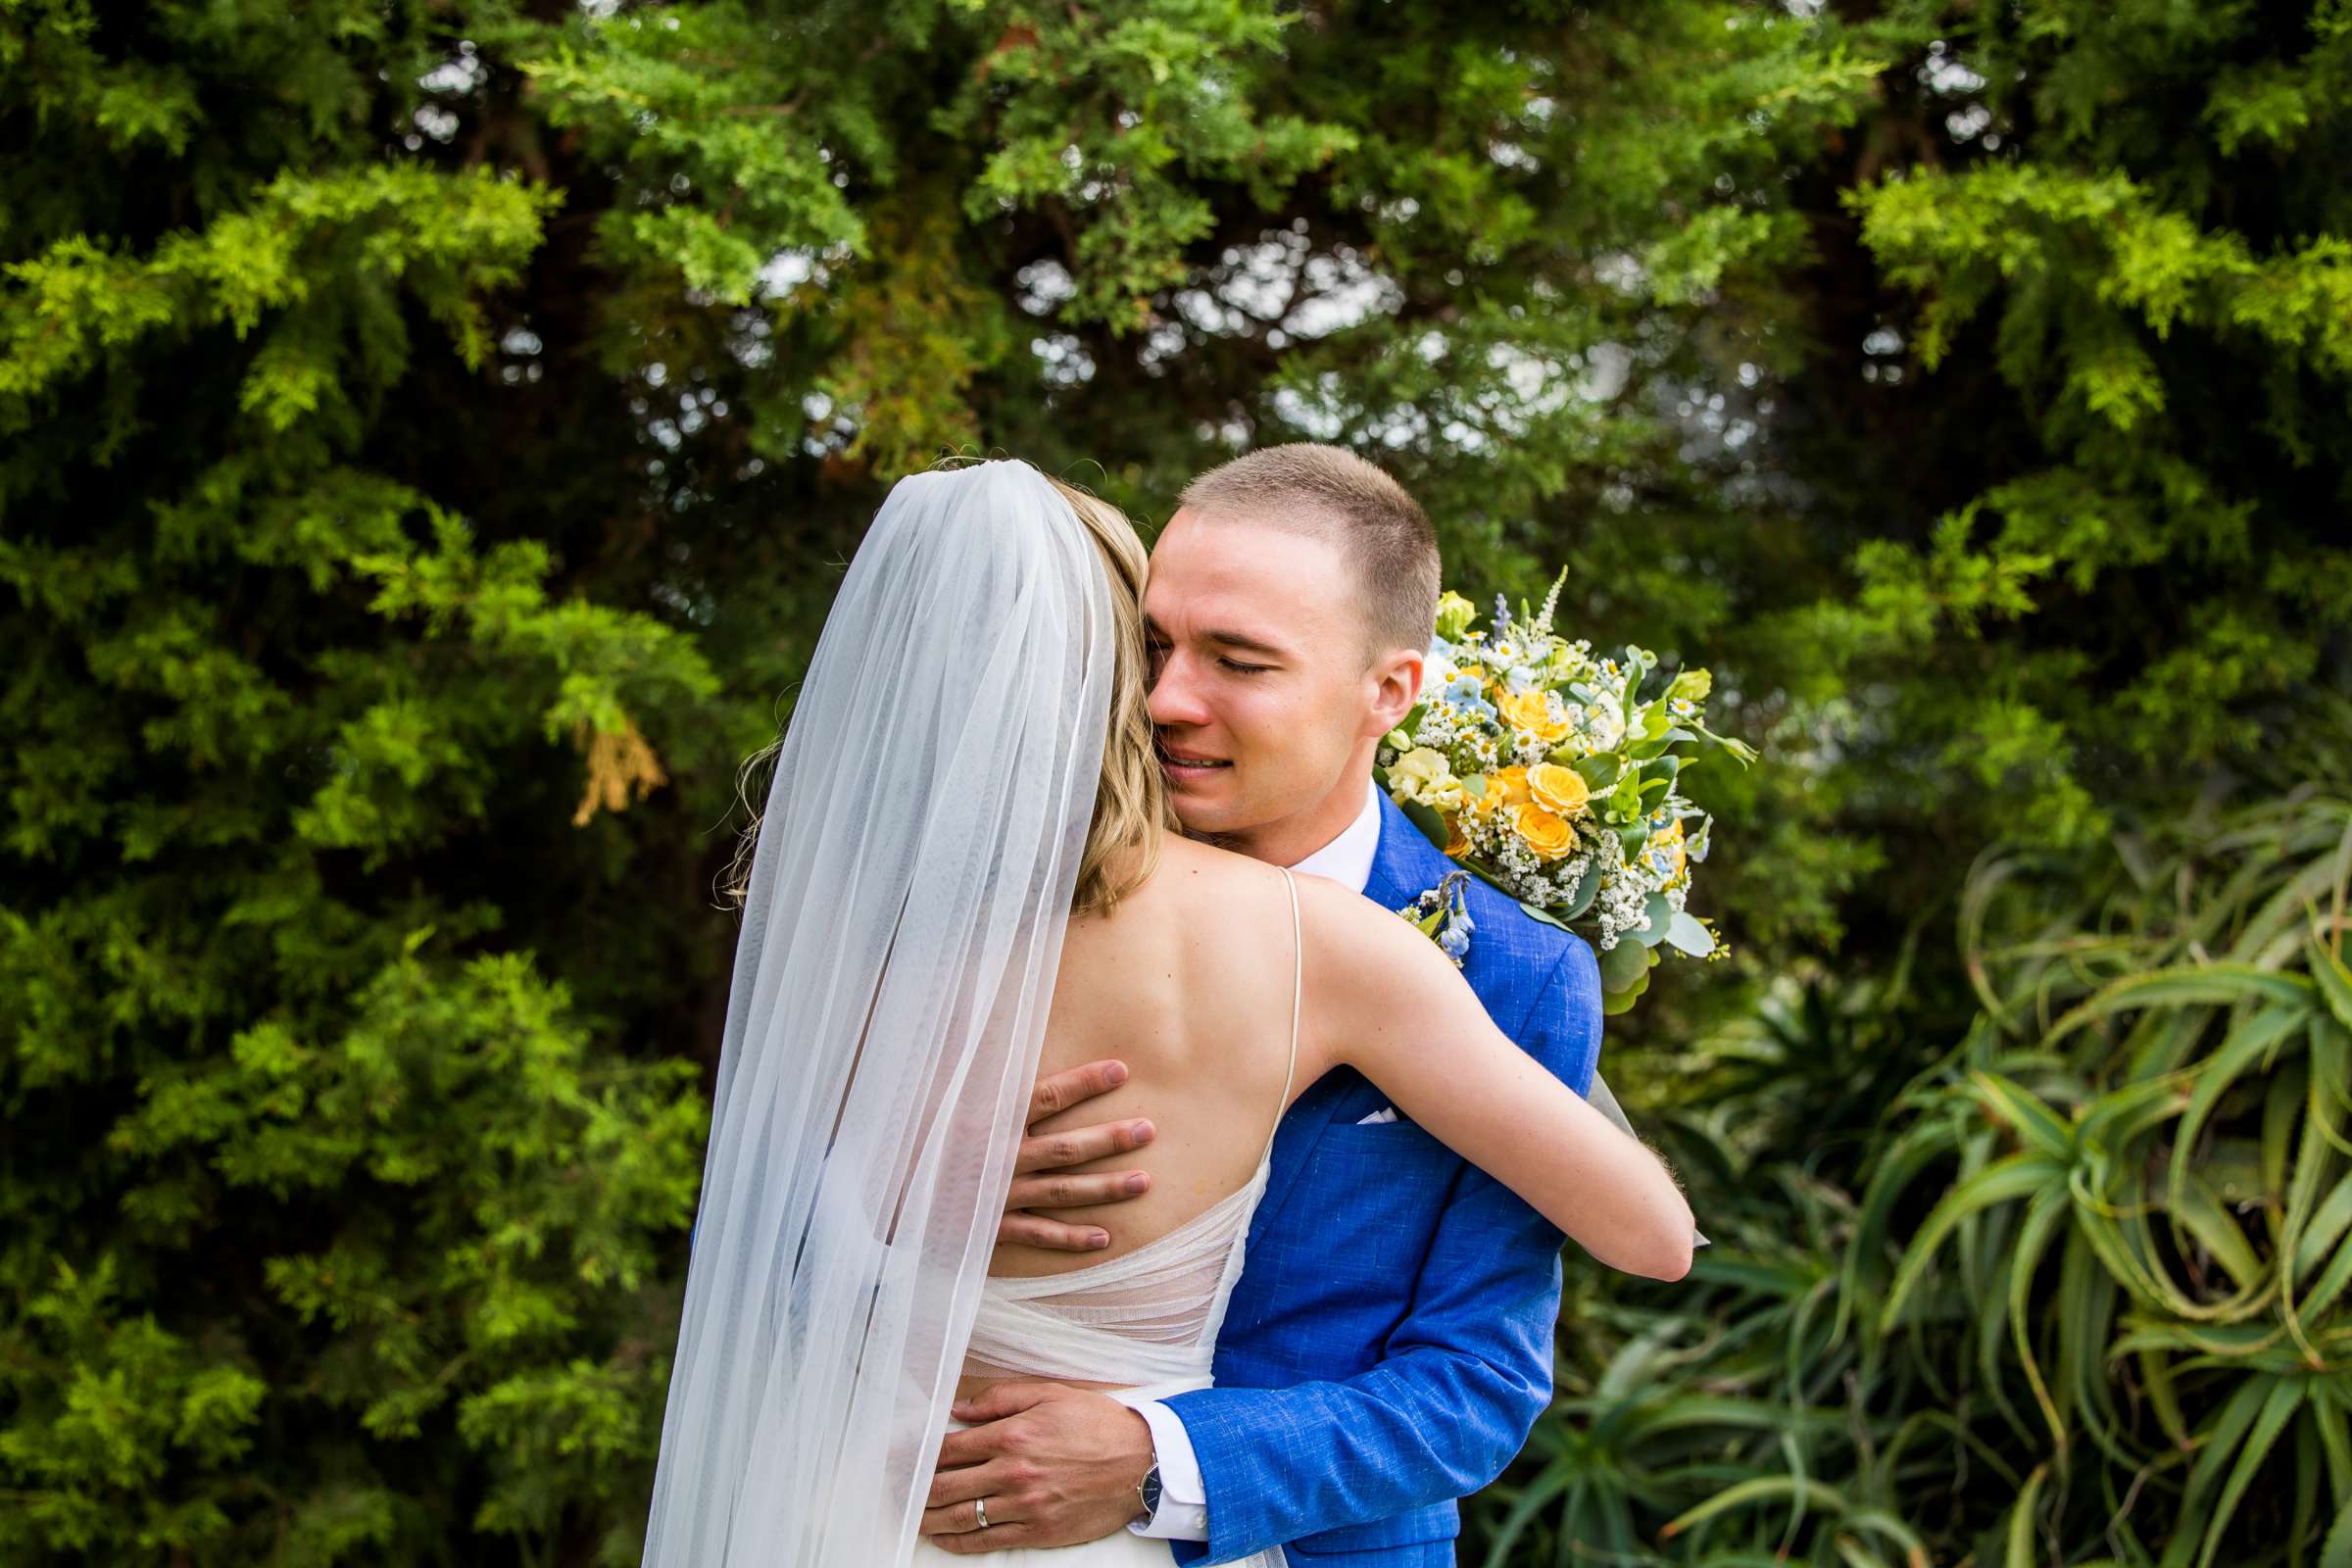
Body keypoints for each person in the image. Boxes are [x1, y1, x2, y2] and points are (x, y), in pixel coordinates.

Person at [644, 458, 1690, 1568]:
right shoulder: (971, 918)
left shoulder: (1514, 969)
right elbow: (776, 1261)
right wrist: (911, 1211)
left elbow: (1477, 1383)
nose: (1165, 701)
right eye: (1150, 647)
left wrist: (1163, 1456)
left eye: (1237, 661)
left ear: (1389, 692)